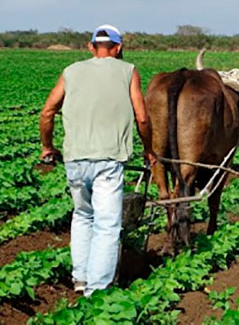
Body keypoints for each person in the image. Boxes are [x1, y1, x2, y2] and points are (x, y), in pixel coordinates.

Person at [39, 24, 157, 297]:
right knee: (107, 224)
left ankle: (80, 278)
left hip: (75, 159)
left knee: (82, 216)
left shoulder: (71, 71)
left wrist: (47, 146)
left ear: (91, 47)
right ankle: (97, 289)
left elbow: (47, 112)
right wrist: (148, 150)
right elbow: (142, 117)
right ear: (118, 48)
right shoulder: (128, 71)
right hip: (109, 160)